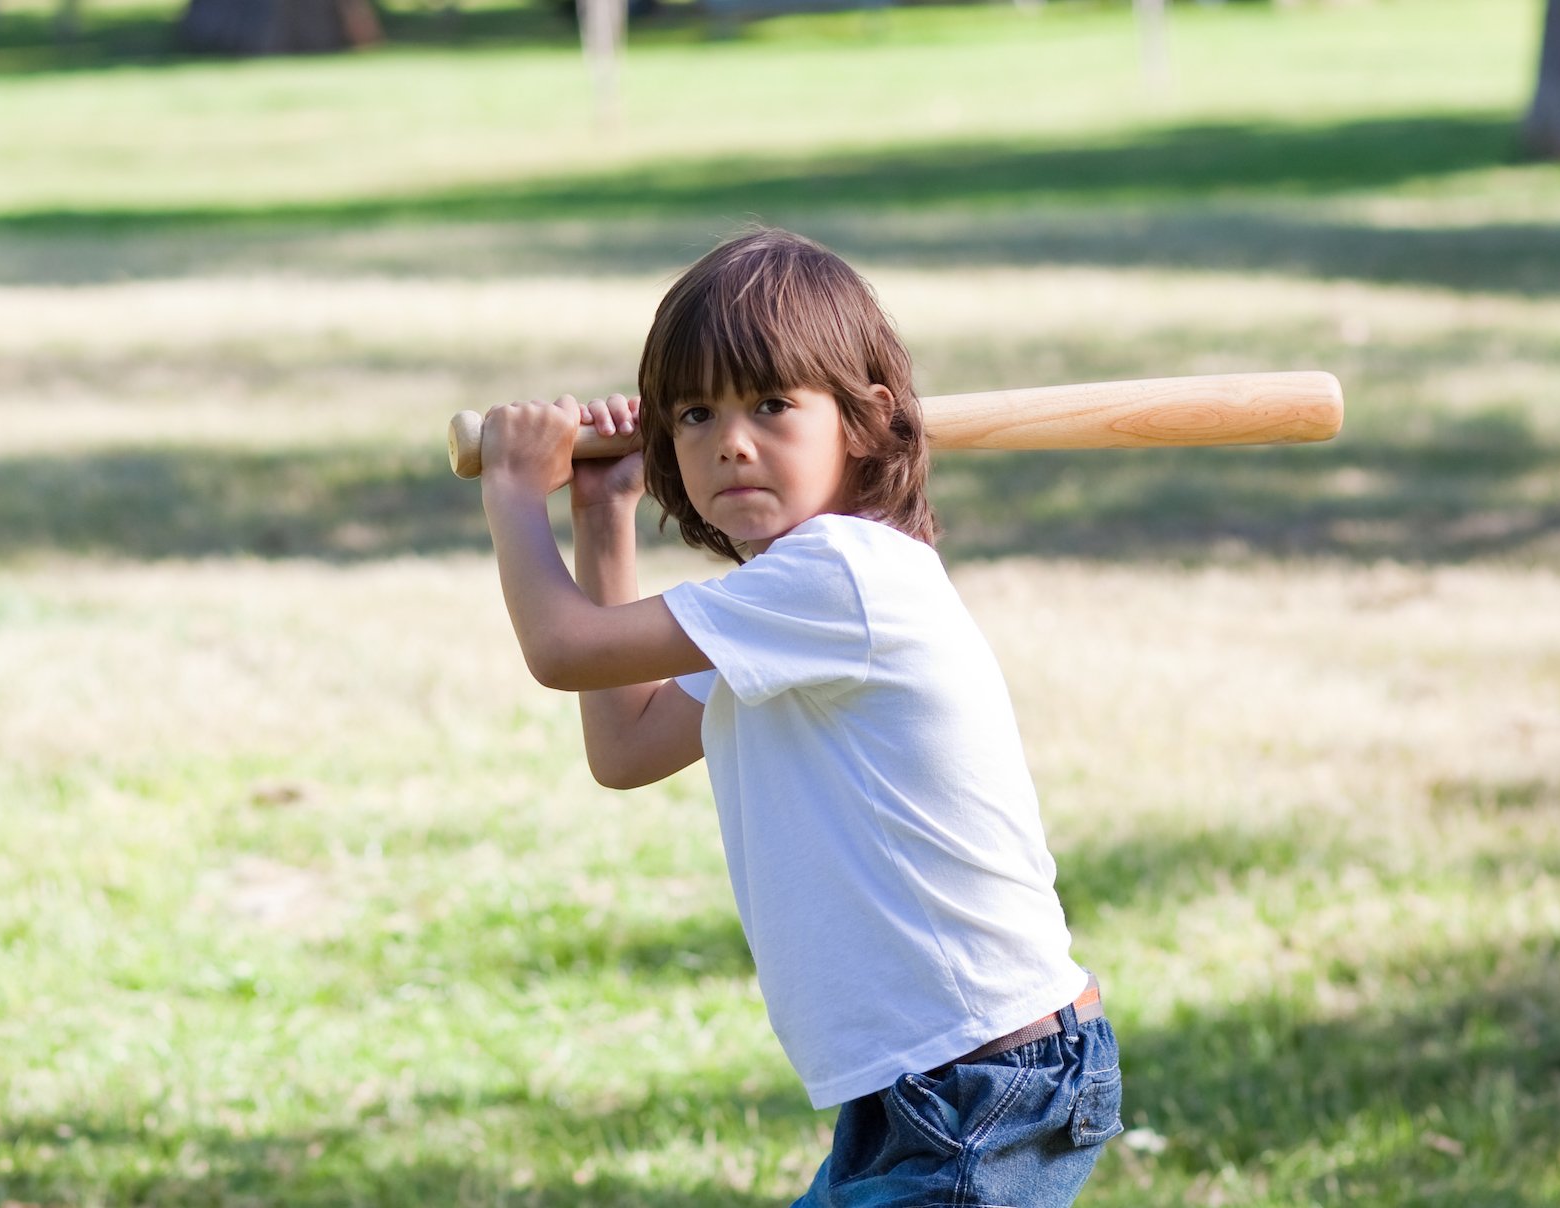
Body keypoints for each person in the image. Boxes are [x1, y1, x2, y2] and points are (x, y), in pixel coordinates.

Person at [478, 227, 1122, 1206]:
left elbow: (562, 647)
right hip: (923, 1082)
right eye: (693, 413)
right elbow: (623, 741)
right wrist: (601, 514)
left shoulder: (840, 578)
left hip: (983, 1076)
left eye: (771, 403)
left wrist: (513, 495)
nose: (730, 439)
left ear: (863, 419)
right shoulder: (786, 613)